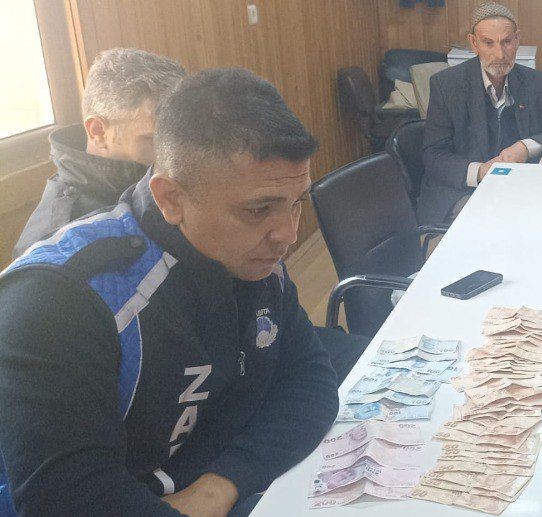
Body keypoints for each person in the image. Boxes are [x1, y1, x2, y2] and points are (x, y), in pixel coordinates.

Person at [0, 68, 399, 517]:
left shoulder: (251, 257)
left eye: (295, 204)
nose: (287, 235)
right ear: (170, 198)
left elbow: (309, 380)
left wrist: (218, 486)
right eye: (259, 209)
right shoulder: (61, 298)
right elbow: (71, 513)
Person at [10, 47, 370, 379]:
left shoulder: (225, 212)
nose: (173, 155)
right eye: (156, 140)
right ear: (98, 131)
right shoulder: (61, 262)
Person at [13, 48, 185, 258]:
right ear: (98, 132)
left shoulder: (164, 175)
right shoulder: (55, 246)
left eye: (184, 134)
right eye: (155, 139)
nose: (179, 151)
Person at [417, 2, 542, 224]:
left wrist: (524, 147)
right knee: (506, 218)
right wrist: (480, 171)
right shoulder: (447, 85)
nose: (500, 54)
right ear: (474, 43)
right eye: (488, 43)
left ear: (517, 39)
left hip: (517, 187)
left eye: (507, 42)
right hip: (463, 191)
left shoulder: (534, 81)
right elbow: (433, 155)